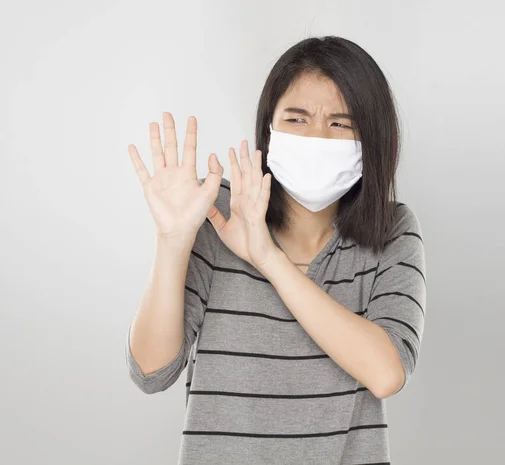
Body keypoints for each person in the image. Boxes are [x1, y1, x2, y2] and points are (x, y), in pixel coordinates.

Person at [125, 35, 426, 465]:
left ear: (372, 138)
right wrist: (172, 241)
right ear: (269, 127)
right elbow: (151, 373)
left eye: (340, 123)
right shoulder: (217, 217)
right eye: (297, 119)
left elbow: (385, 373)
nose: (317, 137)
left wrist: (268, 258)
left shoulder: (392, 230)